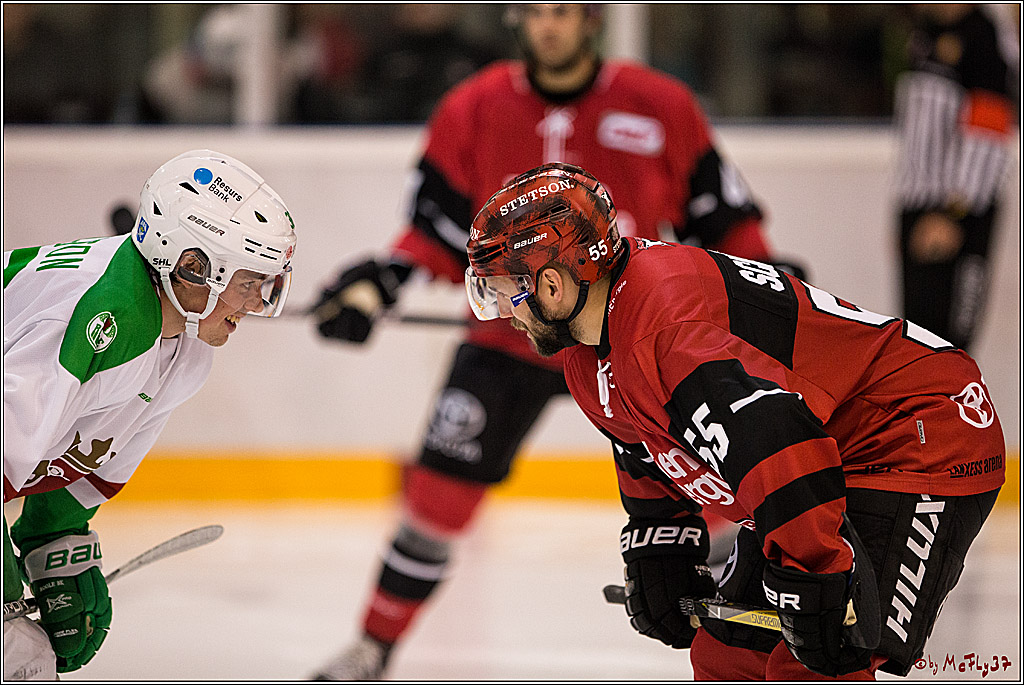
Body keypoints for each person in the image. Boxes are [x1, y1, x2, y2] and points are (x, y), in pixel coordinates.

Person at [311, 3, 795, 679]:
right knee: (436, 497)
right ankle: (372, 646)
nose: (548, 25)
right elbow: (435, 230)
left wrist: (766, 287)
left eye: (563, 10)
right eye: (535, 10)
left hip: (629, 334)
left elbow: (724, 215)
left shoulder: (660, 105)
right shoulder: (472, 109)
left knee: (717, 494)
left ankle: (760, 643)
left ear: (591, 19)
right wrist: (377, 285)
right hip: (513, 336)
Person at [464, 162, 1004, 680]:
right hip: (829, 450)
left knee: (818, 659)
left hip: (920, 431)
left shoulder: (666, 332)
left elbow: (778, 436)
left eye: (503, 291)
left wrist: (814, 571)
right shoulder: (590, 350)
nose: (503, 313)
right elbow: (646, 444)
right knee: (728, 656)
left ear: (552, 285)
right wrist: (660, 537)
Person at [3, 149, 298, 679]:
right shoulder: (98, 319)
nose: (257, 304)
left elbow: (78, 470)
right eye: (249, 282)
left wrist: (57, 538)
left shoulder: (184, 353)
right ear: (191, 267)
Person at [894, 3, 1018, 352]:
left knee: (950, 350)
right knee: (914, 345)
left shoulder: (982, 36)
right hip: (918, 205)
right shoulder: (925, 31)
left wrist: (952, 215)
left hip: (961, 213)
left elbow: (989, 132)